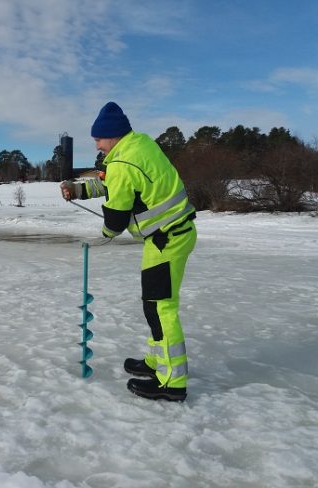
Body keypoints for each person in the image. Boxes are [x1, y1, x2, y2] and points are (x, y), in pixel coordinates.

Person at [61, 101, 196, 401]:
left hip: (167, 238)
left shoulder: (123, 162)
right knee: (153, 303)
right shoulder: (138, 146)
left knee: (161, 308)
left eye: (98, 137)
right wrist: (79, 189)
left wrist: (105, 234)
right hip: (163, 238)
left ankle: (172, 381)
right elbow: (113, 182)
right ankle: (156, 362)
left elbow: (116, 217)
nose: (96, 142)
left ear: (113, 135)